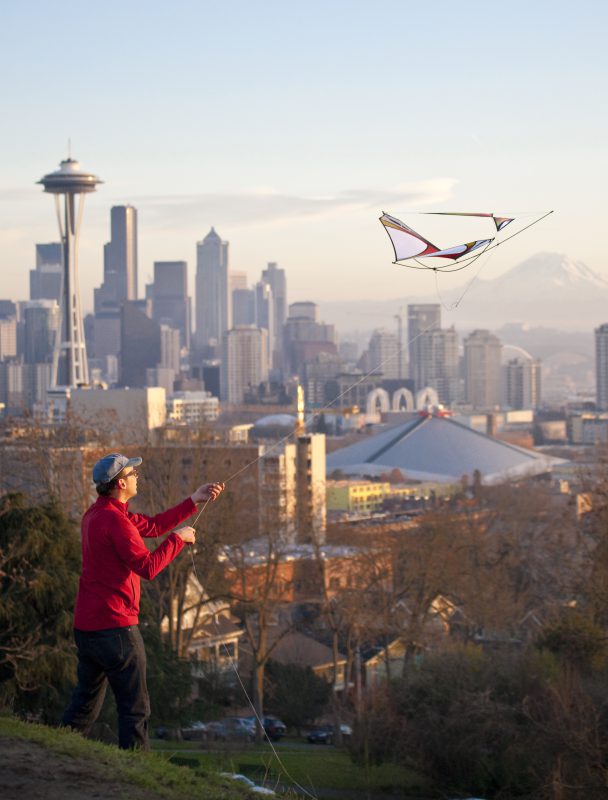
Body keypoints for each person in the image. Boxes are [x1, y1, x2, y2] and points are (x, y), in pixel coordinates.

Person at [62, 452, 224, 749]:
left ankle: (56, 752)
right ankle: (135, 769)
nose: (138, 476)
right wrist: (179, 539)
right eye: (133, 473)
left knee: (84, 705)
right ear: (121, 483)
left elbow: (152, 526)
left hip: (87, 628)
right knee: (135, 709)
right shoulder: (116, 522)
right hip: (116, 630)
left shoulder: (98, 514)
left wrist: (194, 500)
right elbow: (148, 568)